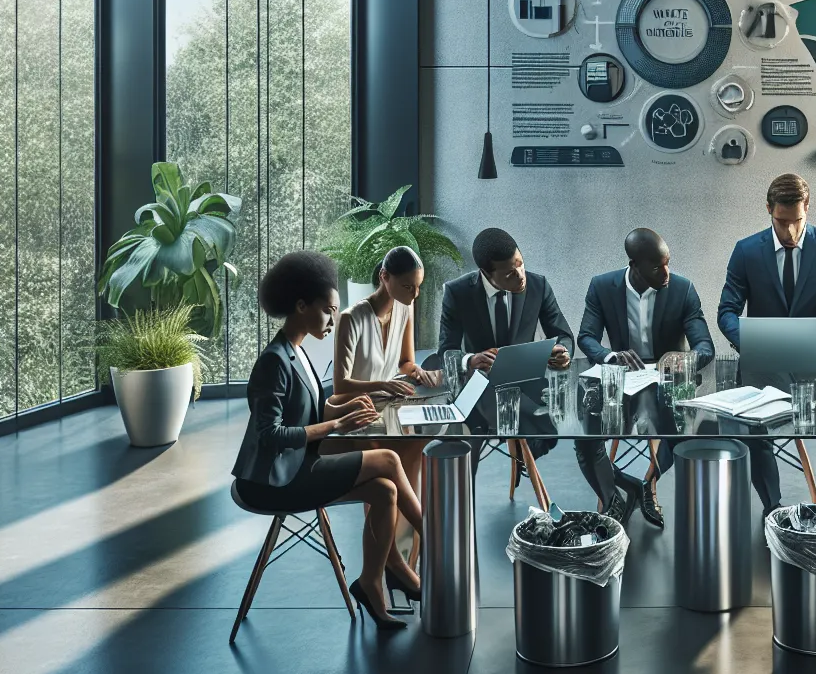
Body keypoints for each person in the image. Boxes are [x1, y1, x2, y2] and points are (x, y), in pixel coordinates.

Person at [229, 250, 425, 631]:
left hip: (299, 468)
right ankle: (435, 538)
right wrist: (335, 426)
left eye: (336, 311)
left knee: (385, 490)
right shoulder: (274, 362)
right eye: (327, 311)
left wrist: (348, 413)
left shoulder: (298, 353)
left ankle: (372, 582)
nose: (334, 320)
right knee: (387, 460)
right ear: (300, 306)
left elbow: (318, 410)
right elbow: (271, 437)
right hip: (272, 482)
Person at [718, 173, 816, 514]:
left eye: (797, 222)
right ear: (769, 210)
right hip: (760, 368)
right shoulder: (745, 251)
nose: (789, 232)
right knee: (753, 432)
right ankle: (773, 508)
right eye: (781, 222)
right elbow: (726, 311)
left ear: (808, 210)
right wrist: (750, 343)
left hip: (815, 367)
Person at [576, 228, 715, 528]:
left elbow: (705, 346)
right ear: (634, 265)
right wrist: (611, 356)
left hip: (669, 382)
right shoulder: (601, 287)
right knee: (585, 439)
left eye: (667, 263)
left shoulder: (682, 289)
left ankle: (648, 482)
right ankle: (614, 495)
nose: (665, 272)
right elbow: (586, 338)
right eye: (656, 266)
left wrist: (685, 359)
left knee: (685, 428)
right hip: (621, 381)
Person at [325, 246, 438, 570]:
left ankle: (406, 554)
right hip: (356, 412)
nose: (414, 294)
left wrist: (418, 373)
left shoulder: (405, 308)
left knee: (418, 442)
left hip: (390, 406)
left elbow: (404, 362)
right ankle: (395, 561)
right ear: (384, 277)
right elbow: (340, 385)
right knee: (382, 462)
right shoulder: (351, 318)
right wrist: (381, 385)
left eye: (418, 286)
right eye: (408, 287)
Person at [438, 228, 575, 473]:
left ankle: (523, 455)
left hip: (529, 381)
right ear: (486, 274)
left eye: (520, 264)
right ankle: (515, 455)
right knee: (521, 419)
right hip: (482, 385)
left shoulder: (538, 285)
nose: (520, 275)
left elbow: (563, 333)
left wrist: (563, 350)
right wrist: (470, 360)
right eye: (510, 273)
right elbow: (446, 351)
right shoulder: (458, 293)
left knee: (555, 421)